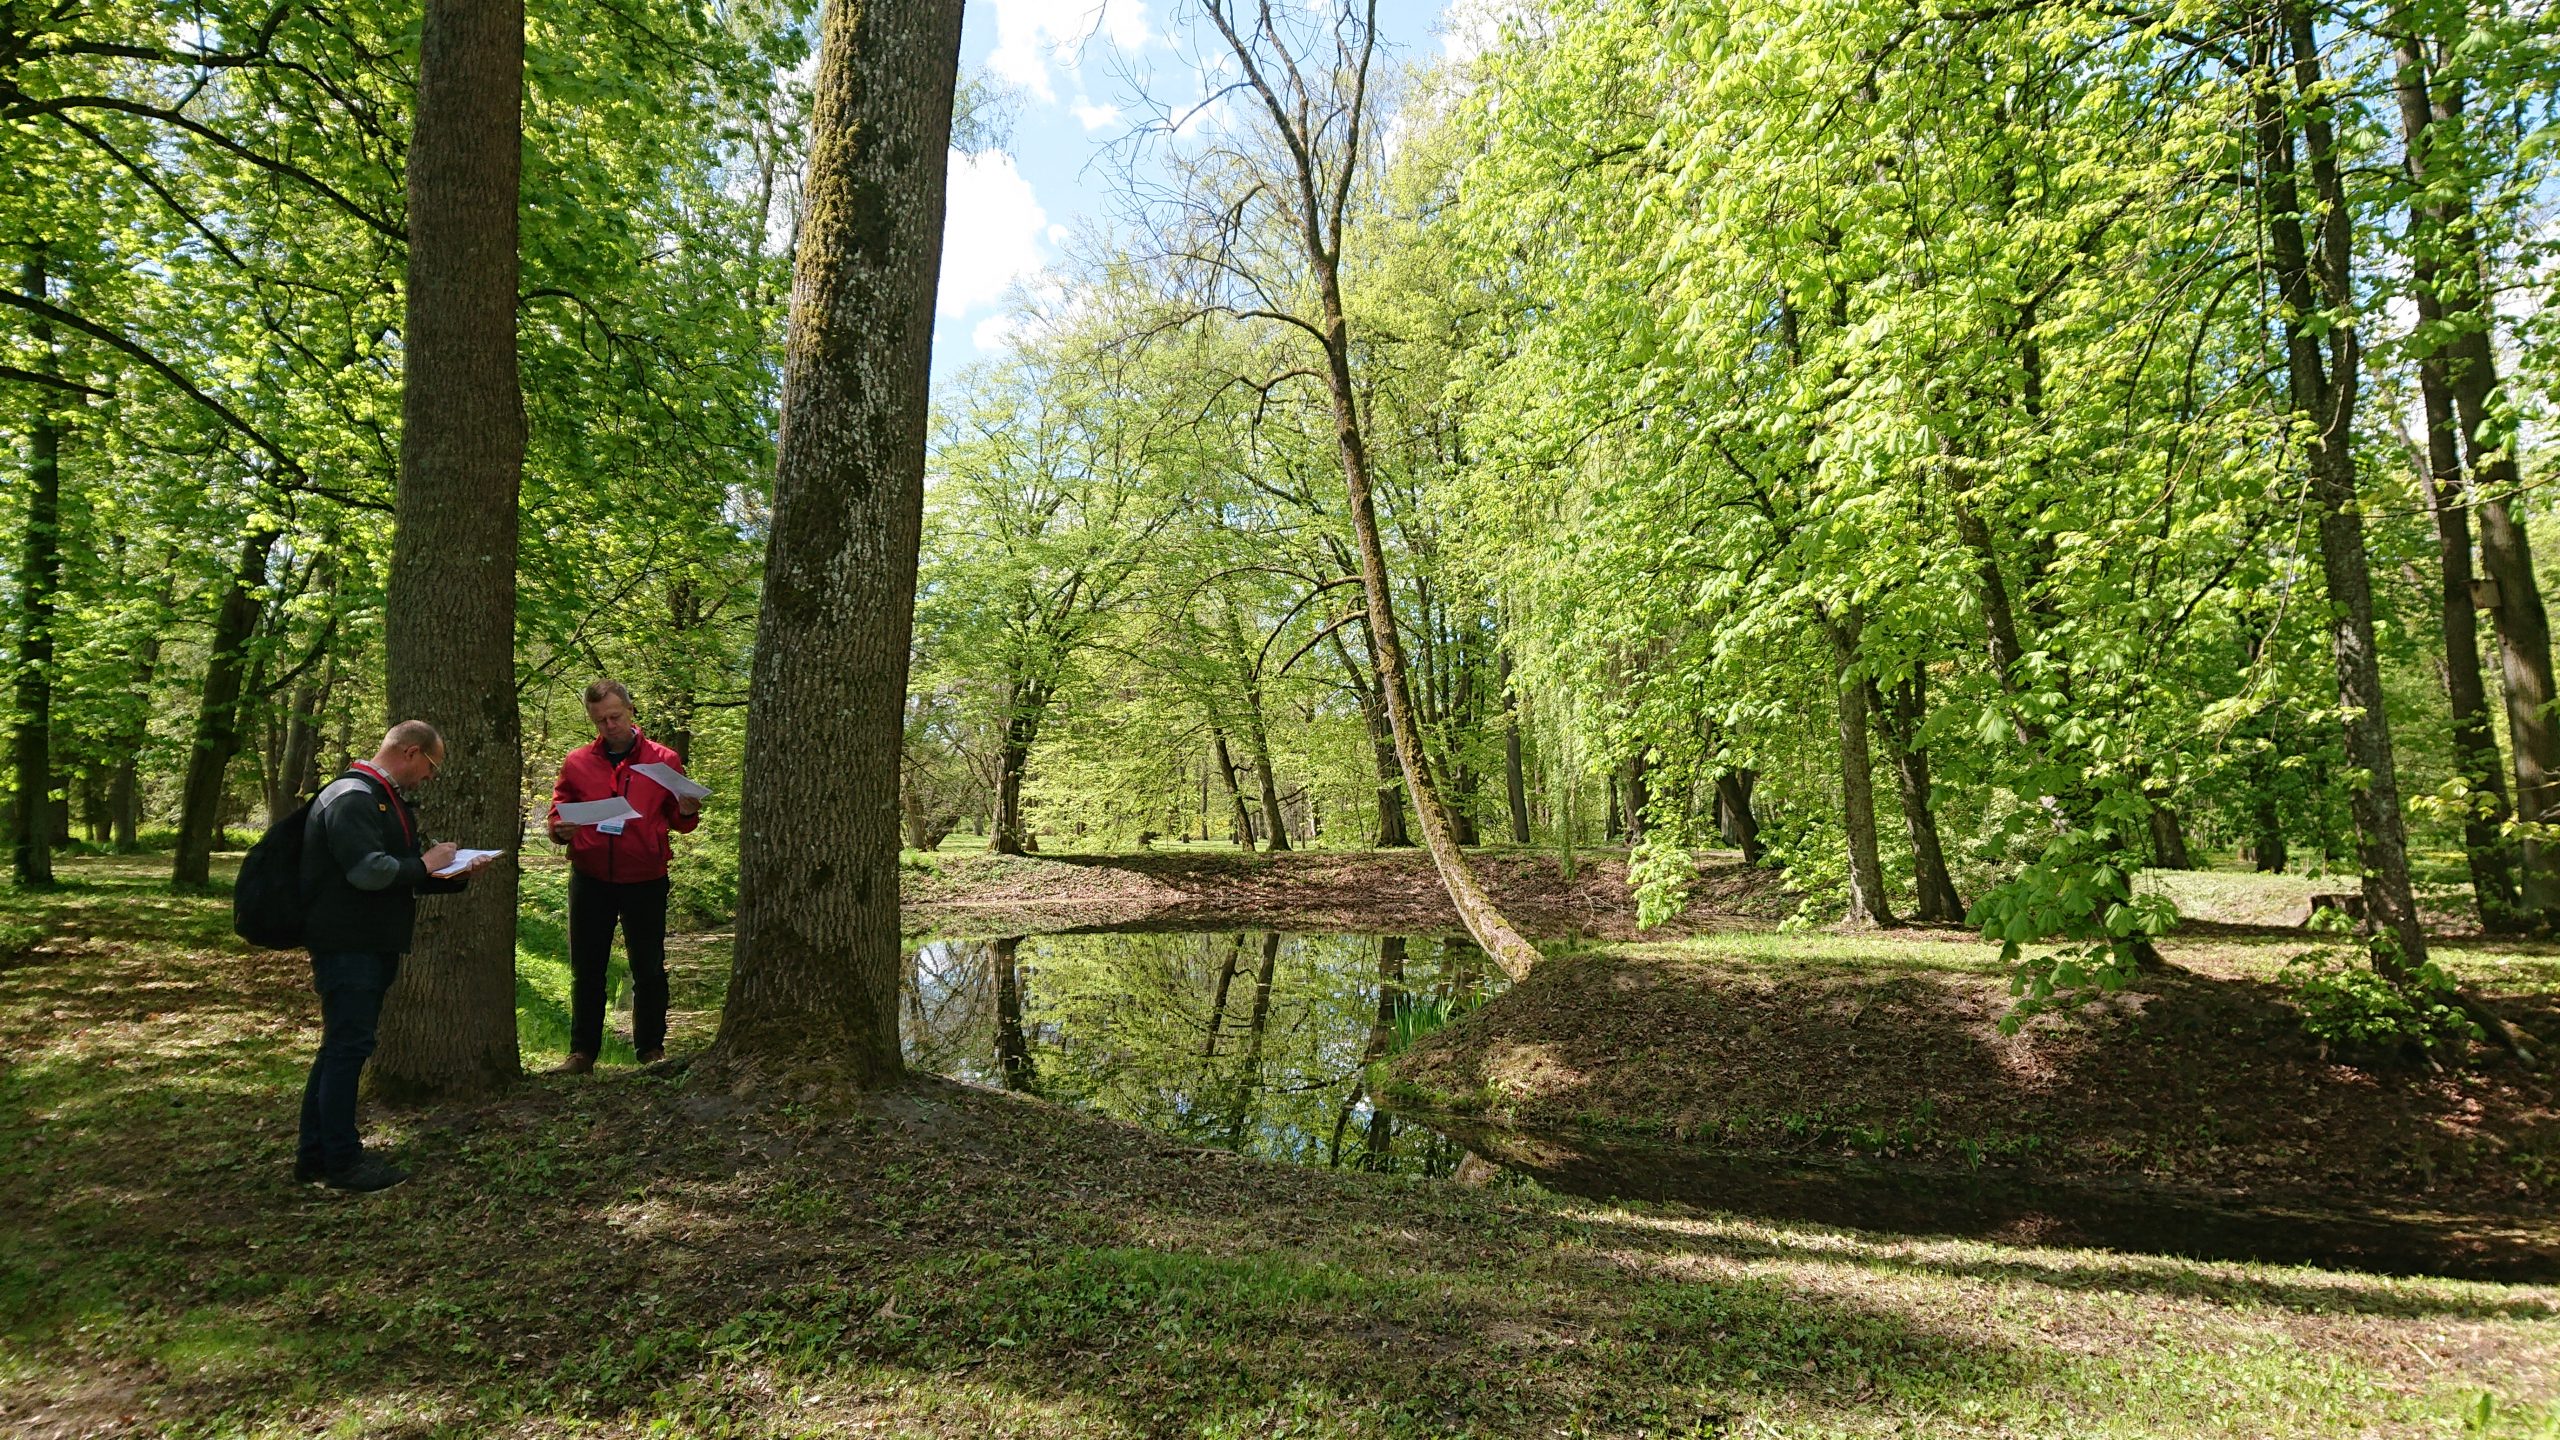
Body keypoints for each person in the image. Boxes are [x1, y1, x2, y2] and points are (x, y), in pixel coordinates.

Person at [296, 720, 494, 1192]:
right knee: (347, 1050)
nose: (429, 777)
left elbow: (394, 872)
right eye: (430, 766)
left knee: (341, 1049)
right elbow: (368, 871)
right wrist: (428, 862)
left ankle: (316, 1156)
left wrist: (454, 873)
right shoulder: (352, 796)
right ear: (410, 752)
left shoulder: (377, 796)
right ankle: (342, 1163)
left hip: (368, 941)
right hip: (349, 944)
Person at [547, 679, 700, 1072]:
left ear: (631, 711)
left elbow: (681, 822)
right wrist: (559, 828)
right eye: (600, 721)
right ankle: (582, 1053)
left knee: (647, 967)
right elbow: (559, 809)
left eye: (615, 716)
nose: (609, 726)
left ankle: (650, 1050)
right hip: (591, 876)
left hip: (645, 876)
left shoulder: (662, 760)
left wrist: (685, 809)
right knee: (588, 967)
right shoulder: (578, 762)